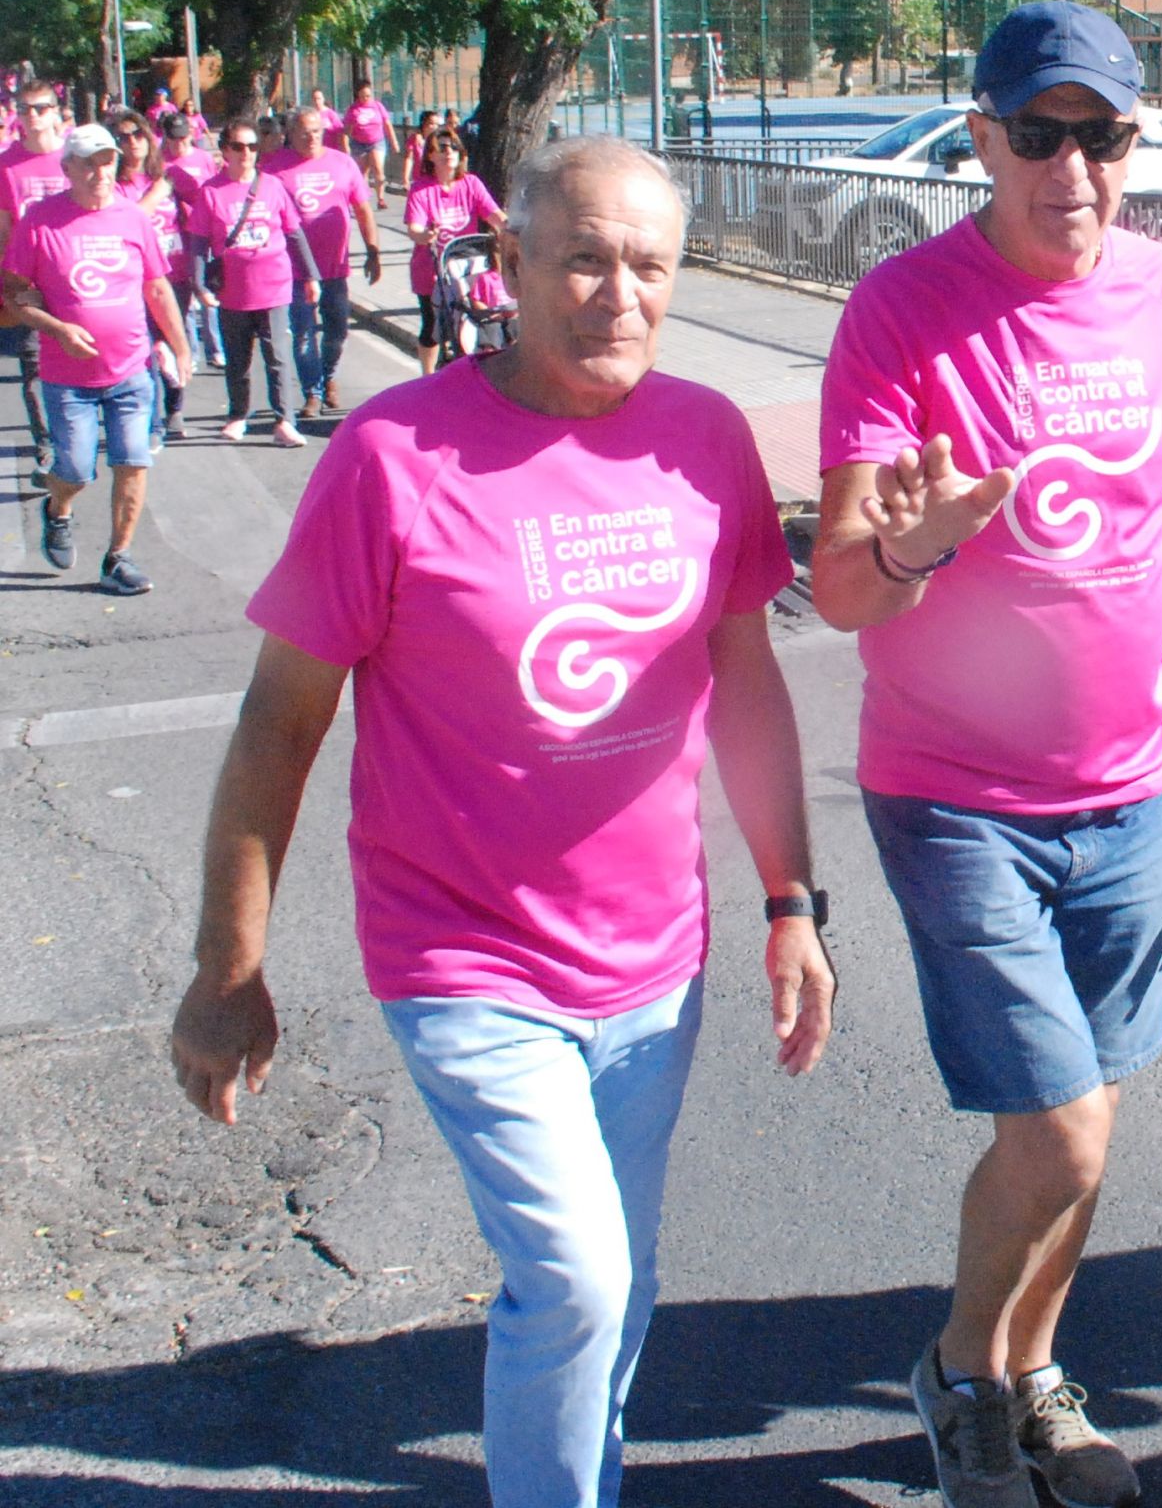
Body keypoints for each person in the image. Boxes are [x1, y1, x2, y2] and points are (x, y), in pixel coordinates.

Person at [169, 135, 836, 1508]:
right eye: (584, 257)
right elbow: (279, 723)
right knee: (579, 1274)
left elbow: (747, 679)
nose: (617, 293)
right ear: (511, 264)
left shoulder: (704, 437)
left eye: (649, 265)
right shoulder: (394, 454)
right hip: (465, 956)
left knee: (618, 1278)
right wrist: (228, 966)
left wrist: (790, 900)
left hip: (655, 962)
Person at [813, 0, 1162, 1508]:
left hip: (1127, 790)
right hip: (955, 795)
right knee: (1062, 1123)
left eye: (1101, 136)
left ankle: (1029, 1370)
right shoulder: (900, 310)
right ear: (981, 138)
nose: (1073, 169)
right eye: (1038, 135)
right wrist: (908, 550)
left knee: (1090, 1120)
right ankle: (965, 1366)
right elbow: (841, 585)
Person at [0, 123, 192, 594]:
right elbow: (12, 299)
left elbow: (156, 287)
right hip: (67, 379)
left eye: (106, 161)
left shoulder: (132, 217)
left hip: (131, 370)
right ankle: (57, 509)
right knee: (76, 470)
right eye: (88, 162)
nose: (99, 171)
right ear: (67, 169)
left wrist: (180, 345)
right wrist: (59, 330)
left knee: (133, 462)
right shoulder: (40, 221)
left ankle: (117, 560)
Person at [187, 116, 320, 448]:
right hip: (233, 290)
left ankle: (284, 420)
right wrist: (200, 285)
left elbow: (294, 233)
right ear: (225, 151)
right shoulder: (211, 193)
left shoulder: (272, 186)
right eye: (238, 147)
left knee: (277, 355)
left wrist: (311, 275)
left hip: (273, 285)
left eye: (251, 146)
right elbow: (199, 243)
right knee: (238, 358)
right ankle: (237, 415)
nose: (245, 153)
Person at [263, 106, 383, 416]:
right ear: (290, 134)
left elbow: (363, 209)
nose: (312, 137)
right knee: (303, 333)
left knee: (337, 330)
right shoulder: (275, 169)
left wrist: (373, 250)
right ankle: (312, 393)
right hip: (295, 270)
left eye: (316, 131)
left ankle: (329, 375)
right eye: (304, 132)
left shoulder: (342, 163)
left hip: (334, 267)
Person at [0, 80, 72, 483]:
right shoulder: (6, 165)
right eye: (23, 109)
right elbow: (3, 229)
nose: (31, 116)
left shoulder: (75, 158)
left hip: (77, 281)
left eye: (40, 108)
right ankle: (47, 447)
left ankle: (74, 441)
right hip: (28, 284)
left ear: (56, 112)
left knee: (79, 360)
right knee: (34, 367)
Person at [109, 111, 185, 447]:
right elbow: (130, 219)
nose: (132, 142)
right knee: (150, 352)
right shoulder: (114, 185)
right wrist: (158, 191)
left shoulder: (165, 176)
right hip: (139, 282)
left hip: (176, 274)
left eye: (138, 134)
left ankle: (174, 409)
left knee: (179, 346)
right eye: (123, 137)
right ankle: (153, 426)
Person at [404, 127, 504, 374]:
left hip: (467, 267)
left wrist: (515, 231)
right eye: (443, 147)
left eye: (454, 147)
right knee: (432, 326)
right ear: (430, 155)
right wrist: (425, 235)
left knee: (474, 320)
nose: (449, 152)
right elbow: (414, 228)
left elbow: (496, 216)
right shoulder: (421, 189)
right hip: (431, 267)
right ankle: (427, 378)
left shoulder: (470, 183)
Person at [160, 111, 224, 373]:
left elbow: (212, 189)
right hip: (178, 234)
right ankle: (190, 350)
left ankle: (216, 349)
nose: (180, 144)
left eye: (184, 138)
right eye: (174, 139)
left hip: (204, 231)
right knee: (183, 298)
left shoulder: (203, 158)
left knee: (207, 291)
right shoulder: (160, 162)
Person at [342, 80, 397, 209]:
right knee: (362, 173)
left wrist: (393, 141)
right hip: (359, 143)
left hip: (376, 141)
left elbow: (387, 124)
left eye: (368, 96)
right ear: (358, 96)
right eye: (362, 96)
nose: (365, 99)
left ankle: (381, 198)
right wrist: (346, 145)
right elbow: (347, 129)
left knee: (378, 169)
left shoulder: (377, 106)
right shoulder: (354, 109)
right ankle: (363, 199)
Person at [401, 108, 444, 190]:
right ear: (423, 124)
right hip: (420, 180)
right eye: (431, 123)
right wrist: (405, 179)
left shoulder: (440, 140)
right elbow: (409, 159)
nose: (435, 127)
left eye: (437, 124)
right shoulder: (415, 139)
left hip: (437, 180)